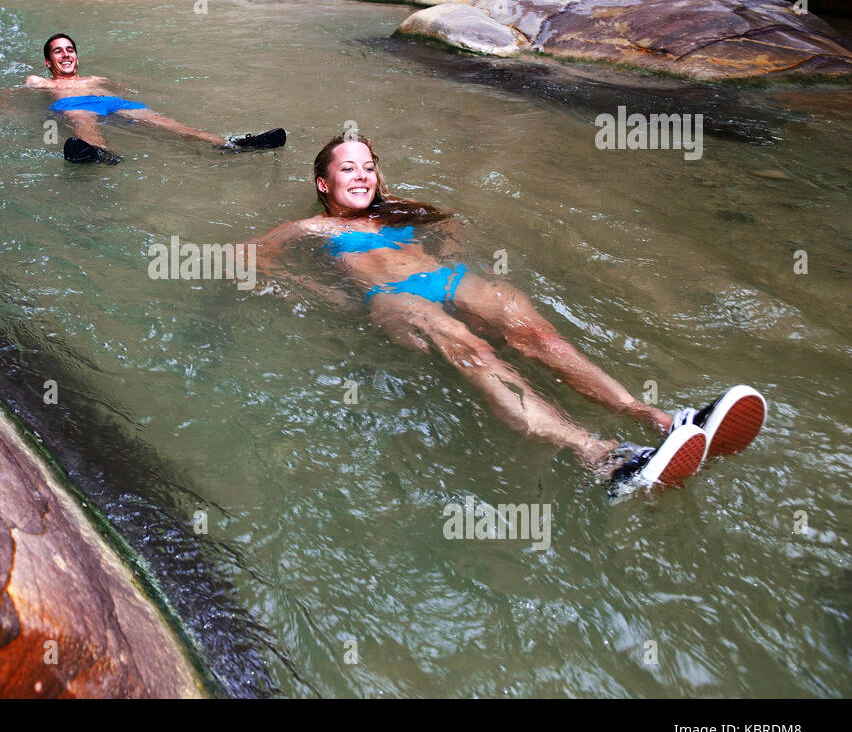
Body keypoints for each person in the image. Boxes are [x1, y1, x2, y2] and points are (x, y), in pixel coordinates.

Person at [248, 132, 767, 490]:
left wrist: (447, 255)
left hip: (443, 279)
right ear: (324, 184)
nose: (361, 177)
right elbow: (246, 259)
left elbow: (450, 226)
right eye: (348, 169)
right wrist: (318, 295)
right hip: (394, 298)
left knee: (537, 335)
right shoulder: (313, 228)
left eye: (368, 167)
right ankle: (604, 457)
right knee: (474, 351)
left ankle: (658, 419)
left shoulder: (402, 212)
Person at [25, 33, 285, 164]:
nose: (66, 55)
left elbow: (126, 89)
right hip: (74, 105)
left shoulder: (97, 79)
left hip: (112, 103)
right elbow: (19, 93)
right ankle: (101, 155)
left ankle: (229, 144)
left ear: (77, 57)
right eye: (58, 52)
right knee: (82, 120)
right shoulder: (40, 81)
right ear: (49, 62)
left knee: (161, 121)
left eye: (70, 50)